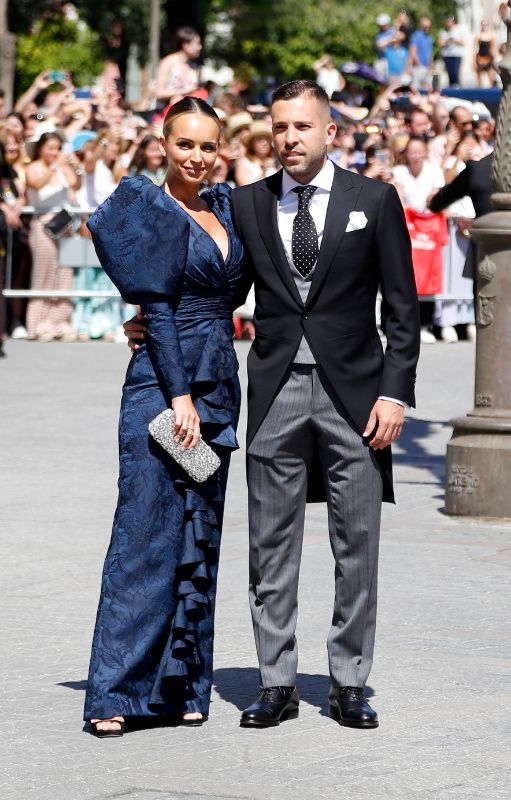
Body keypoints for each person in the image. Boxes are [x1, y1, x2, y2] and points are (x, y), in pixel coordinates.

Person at [126, 80, 420, 731]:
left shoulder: (374, 200)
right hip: (274, 392)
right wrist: (151, 317)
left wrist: (395, 392)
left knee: (357, 545)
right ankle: (276, 683)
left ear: (329, 132)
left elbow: (402, 309)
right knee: (269, 545)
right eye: (280, 127)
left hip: (358, 399)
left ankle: (348, 682)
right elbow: (212, 278)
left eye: (302, 127)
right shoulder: (249, 204)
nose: (289, 138)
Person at [83, 97, 246, 737]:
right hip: (161, 386)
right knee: (145, 535)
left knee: (196, 535)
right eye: (185, 145)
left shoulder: (227, 207)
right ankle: (115, 692)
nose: (197, 158)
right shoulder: (143, 208)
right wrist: (177, 395)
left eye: (208, 146)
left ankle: (180, 687)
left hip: (218, 383)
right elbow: (155, 304)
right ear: (163, 143)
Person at [25, 132, 81, 342]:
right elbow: (37, 184)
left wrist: (75, 166)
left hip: (63, 222)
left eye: (58, 148)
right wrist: (55, 166)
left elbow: (76, 185)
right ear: (41, 148)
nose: (55, 152)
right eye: (51, 148)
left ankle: (60, 322)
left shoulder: (61, 167)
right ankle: (39, 324)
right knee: (44, 272)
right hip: (42, 223)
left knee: (64, 273)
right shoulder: (33, 168)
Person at [155, 27, 203, 107]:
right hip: (165, 114)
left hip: (187, 112)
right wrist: (184, 91)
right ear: (186, 45)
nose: (200, 47)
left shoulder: (194, 67)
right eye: (197, 43)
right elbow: (160, 93)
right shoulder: (168, 62)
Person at [234, 121, 277, 186]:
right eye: (259, 139)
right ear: (252, 144)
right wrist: (264, 171)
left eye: (267, 139)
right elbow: (245, 190)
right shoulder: (244, 163)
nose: (265, 143)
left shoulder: (275, 161)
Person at [438, 15, 466, 87]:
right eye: (448, 21)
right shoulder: (443, 31)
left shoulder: (459, 30)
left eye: (451, 22)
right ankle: (452, 88)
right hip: (447, 55)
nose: (449, 23)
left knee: (455, 73)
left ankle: (457, 88)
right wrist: (448, 41)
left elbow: (463, 42)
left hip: (456, 55)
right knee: (450, 74)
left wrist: (454, 40)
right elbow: (441, 43)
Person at [409, 17, 433, 89]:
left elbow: (430, 52)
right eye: (425, 26)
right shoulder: (416, 36)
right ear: (421, 25)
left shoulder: (429, 37)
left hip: (427, 68)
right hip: (418, 67)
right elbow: (413, 51)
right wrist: (419, 64)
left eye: (428, 26)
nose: (427, 28)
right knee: (417, 88)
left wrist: (431, 66)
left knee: (429, 87)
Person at [473, 19, 497, 88]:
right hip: (480, 58)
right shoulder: (478, 36)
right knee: (480, 81)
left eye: (485, 25)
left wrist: (495, 59)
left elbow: (494, 48)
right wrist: (474, 61)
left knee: (491, 79)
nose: (484, 26)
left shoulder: (491, 35)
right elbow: (474, 49)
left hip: (489, 58)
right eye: (483, 25)